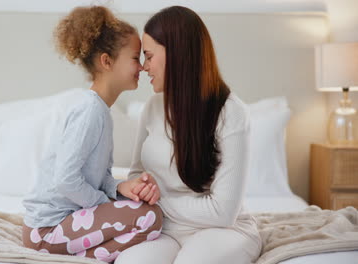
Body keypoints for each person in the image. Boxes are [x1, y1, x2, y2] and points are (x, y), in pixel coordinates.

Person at [116, 6, 261, 264]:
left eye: (149, 56)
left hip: (222, 230)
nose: (144, 67)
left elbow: (222, 212)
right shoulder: (152, 107)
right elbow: (137, 173)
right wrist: (141, 188)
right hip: (163, 229)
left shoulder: (230, 112)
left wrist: (159, 201)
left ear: (176, 54)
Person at [21, 6, 163, 263]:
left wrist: (120, 188)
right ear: (107, 61)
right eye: (134, 58)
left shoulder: (99, 110)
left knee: (148, 213)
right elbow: (66, 179)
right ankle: (80, 258)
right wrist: (104, 204)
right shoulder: (90, 110)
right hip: (46, 230)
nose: (142, 67)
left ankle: (79, 256)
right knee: (150, 218)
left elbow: (96, 177)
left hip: (60, 224)